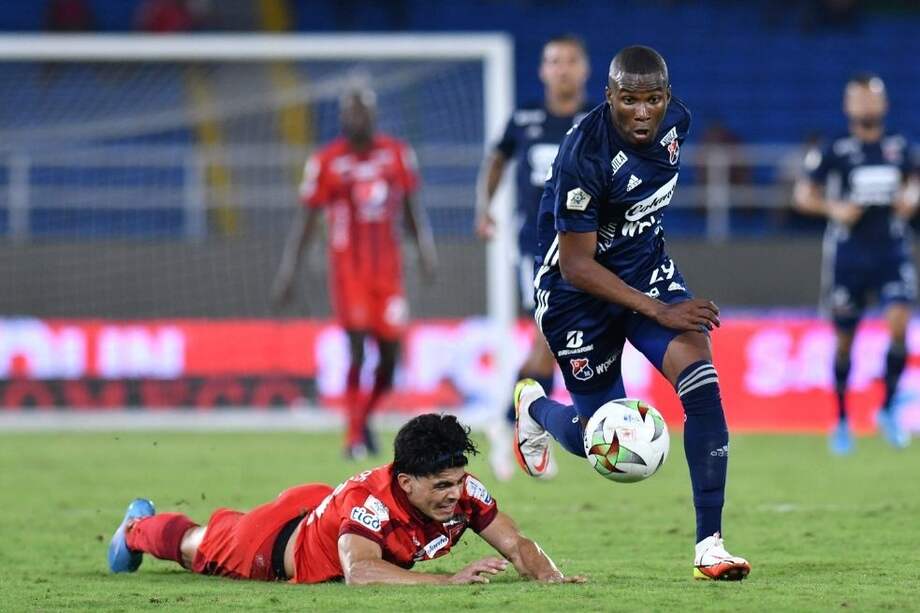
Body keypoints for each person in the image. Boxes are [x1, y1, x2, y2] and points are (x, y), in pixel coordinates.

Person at [511, 45, 751, 581]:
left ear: (667, 97)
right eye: (629, 101)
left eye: (653, 99)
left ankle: (709, 545)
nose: (642, 112)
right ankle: (535, 410)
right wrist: (657, 312)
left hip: (647, 273)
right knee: (603, 441)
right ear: (609, 97)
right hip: (577, 298)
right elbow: (576, 265)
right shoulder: (584, 154)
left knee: (703, 385)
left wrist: (660, 297)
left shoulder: (678, 123)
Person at [107, 414, 585, 586]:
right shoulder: (373, 503)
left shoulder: (462, 491)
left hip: (323, 510)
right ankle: (135, 530)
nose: (454, 494)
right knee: (198, 543)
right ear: (406, 484)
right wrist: (448, 581)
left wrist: (550, 577)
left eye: (457, 481)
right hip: (275, 545)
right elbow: (360, 573)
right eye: (441, 486)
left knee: (217, 529)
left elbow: (516, 542)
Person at [272, 85, 437, 459]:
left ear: (374, 116)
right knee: (358, 352)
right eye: (350, 111)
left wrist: (425, 252)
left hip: (388, 273)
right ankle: (352, 435)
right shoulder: (327, 161)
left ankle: (363, 419)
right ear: (342, 117)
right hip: (350, 273)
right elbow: (306, 220)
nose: (356, 118)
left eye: (362, 111)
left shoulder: (396, 154)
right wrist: (288, 271)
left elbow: (412, 209)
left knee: (391, 359)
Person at [475, 34, 592, 481]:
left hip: (585, 246)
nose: (561, 68)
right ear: (543, 70)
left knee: (556, 344)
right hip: (536, 248)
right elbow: (497, 160)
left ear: (583, 69)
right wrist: (484, 209)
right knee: (554, 335)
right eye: (553, 61)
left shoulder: (595, 122)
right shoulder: (523, 118)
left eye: (569, 60)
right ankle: (516, 424)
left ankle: (516, 420)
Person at [794, 74, 918, 454]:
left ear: (883, 104)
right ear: (849, 107)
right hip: (849, 255)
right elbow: (803, 194)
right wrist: (835, 208)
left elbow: (915, 181)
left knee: (899, 324)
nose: (866, 105)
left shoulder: (899, 146)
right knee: (844, 340)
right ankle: (843, 418)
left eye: (872, 98)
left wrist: (911, 196)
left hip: (891, 250)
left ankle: (887, 407)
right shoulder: (834, 149)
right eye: (859, 99)